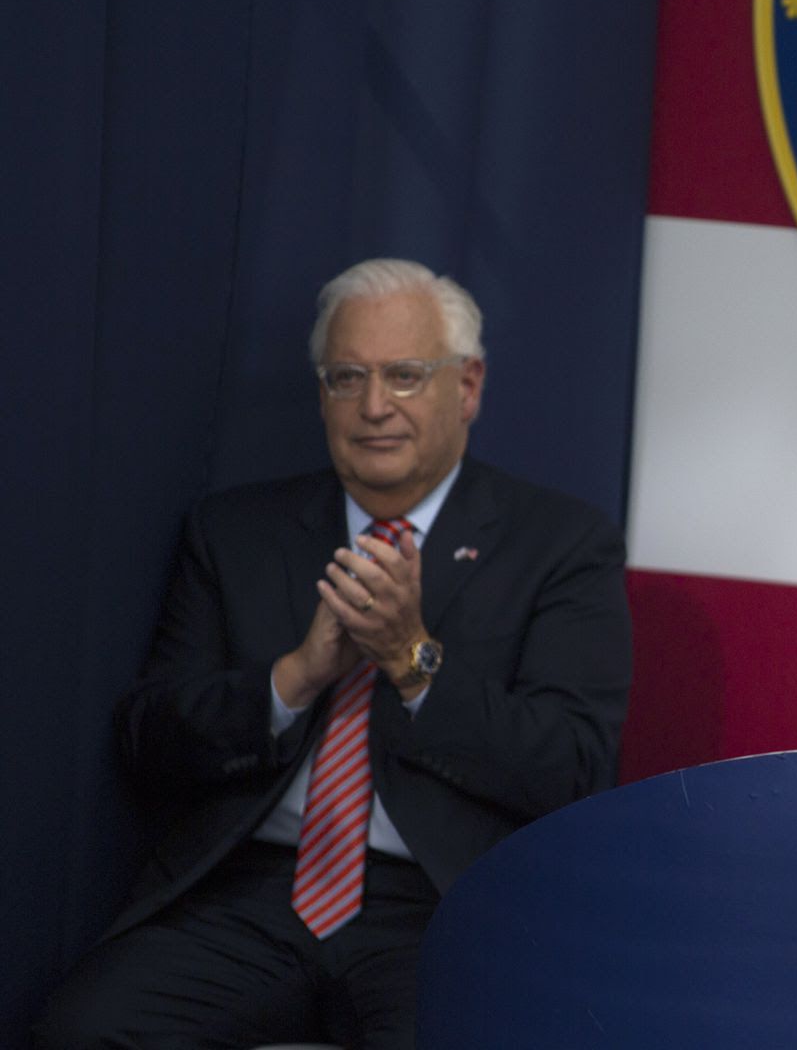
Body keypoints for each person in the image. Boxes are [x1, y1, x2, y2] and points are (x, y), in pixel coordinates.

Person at [37, 258, 633, 1048]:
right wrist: (294, 678)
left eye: (406, 375)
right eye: (347, 377)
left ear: (469, 387)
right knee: (81, 1032)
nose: (375, 406)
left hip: (441, 908)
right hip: (250, 898)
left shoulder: (559, 544)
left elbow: (573, 766)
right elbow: (150, 739)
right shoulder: (235, 532)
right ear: (321, 394)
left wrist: (411, 659)